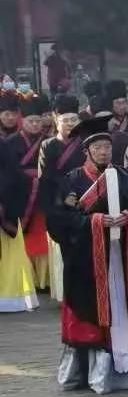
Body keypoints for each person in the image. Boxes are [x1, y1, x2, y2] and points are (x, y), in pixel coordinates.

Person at [46, 116, 128, 391]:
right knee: (93, 309)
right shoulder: (71, 182)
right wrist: (96, 223)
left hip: (124, 259)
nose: (103, 151)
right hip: (90, 263)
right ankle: (95, 373)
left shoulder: (125, 177)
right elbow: (59, 221)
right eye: (97, 147)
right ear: (86, 151)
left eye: (107, 147)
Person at [39, 94, 85, 296]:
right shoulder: (48, 146)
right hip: (59, 206)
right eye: (65, 120)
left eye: (74, 120)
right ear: (56, 120)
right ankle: (66, 293)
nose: (70, 124)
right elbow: (45, 180)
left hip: (84, 201)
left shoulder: (84, 143)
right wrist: (61, 200)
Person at [15, 95, 51, 293]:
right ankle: (29, 278)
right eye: (31, 121)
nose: (36, 124)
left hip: (42, 198)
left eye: (38, 121)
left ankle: (45, 280)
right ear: (23, 121)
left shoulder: (48, 142)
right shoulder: (10, 143)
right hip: (22, 196)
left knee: (43, 239)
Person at [0, 127, 34, 312]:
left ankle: (10, 299)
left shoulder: (2, 145)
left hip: (5, 206)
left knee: (10, 257)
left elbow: (12, 176)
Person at [105, 81, 128, 164]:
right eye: (118, 103)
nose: (122, 106)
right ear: (111, 104)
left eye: (124, 102)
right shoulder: (105, 120)